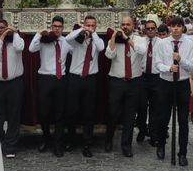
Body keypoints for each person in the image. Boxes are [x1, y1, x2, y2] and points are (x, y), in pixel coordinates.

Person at [153, 16, 193, 165]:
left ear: (183, 28)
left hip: (182, 84)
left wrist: (181, 60)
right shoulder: (162, 44)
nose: (176, 28)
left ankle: (182, 153)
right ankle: (161, 145)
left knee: (183, 120)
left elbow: (192, 66)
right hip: (166, 83)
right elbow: (158, 63)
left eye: (179, 26)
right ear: (170, 27)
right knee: (163, 117)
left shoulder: (190, 44)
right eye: (173, 26)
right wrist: (168, 68)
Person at [28, 16, 71, 157]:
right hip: (45, 79)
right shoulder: (44, 41)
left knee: (60, 113)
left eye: (59, 26)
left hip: (61, 80)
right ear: (51, 27)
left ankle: (58, 144)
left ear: (63, 28)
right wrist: (40, 33)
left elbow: (77, 50)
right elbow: (31, 48)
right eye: (54, 26)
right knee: (44, 113)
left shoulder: (66, 42)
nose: (57, 29)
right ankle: (46, 139)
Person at [104, 16, 146, 157]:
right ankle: (109, 139)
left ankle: (126, 145)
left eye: (128, 24)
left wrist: (128, 40)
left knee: (130, 115)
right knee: (112, 112)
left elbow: (141, 51)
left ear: (133, 25)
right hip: (117, 81)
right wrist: (114, 38)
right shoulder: (115, 39)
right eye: (123, 24)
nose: (125, 27)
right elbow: (109, 55)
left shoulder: (139, 39)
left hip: (134, 81)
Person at [65, 15, 105, 158]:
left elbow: (101, 47)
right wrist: (81, 30)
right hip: (75, 79)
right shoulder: (77, 40)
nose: (90, 27)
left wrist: (92, 33)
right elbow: (67, 39)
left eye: (92, 25)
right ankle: (71, 139)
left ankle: (87, 143)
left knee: (89, 113)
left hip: (90, 79)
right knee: (72, 111)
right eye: (88, 24)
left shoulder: (97, 41)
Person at [0, 20, 25, 159]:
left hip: (15, 83)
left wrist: (13, 33)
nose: (1, 30)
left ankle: (11, 146)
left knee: (14, 115)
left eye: (4, 28)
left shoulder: (16, 40)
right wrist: (2, 38)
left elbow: (20, 47)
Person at [136, 18, 160, 145]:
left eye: (152, 28)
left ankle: (153, 134)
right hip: (142, 76)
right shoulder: (140, 41)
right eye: (148, 28)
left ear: (156, 30)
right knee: (141, 106)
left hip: (156, 77)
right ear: (144, 30)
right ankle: (142, 129)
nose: (150, 30)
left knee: (155, 107)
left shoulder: (161, 43)